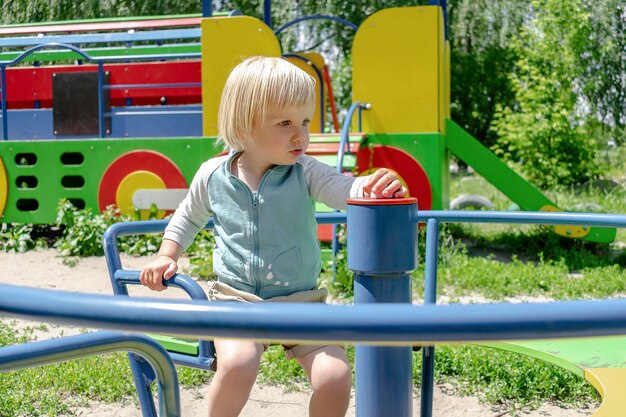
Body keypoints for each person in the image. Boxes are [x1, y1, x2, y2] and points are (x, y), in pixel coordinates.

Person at [140, 56, 407, 417]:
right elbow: (187, 216)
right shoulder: (213, 176)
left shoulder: (305, 170)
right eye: (284, 122)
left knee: (335, 375)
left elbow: (343, 187)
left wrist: (374, 185)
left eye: (305, 121)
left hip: (302, 301)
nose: (301, 134)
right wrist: (167, 254)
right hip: (236, 301)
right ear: (245, 124)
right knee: (237, 365)